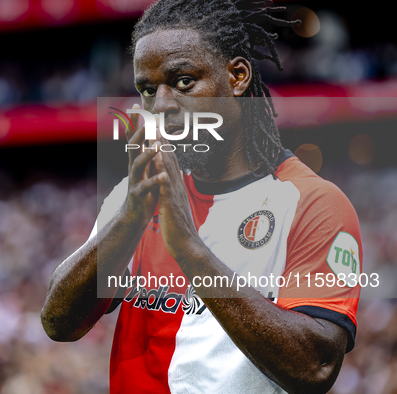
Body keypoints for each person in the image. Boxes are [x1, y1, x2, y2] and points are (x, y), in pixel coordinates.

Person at [41, 0, 362, 393]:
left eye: (183, 82)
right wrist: (130, 217)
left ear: (238, 76)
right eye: (146, 89)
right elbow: (58, 323)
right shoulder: (136, 192)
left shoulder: (315, 203)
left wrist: (189, 248)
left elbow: (315, 368)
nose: (161, 106)